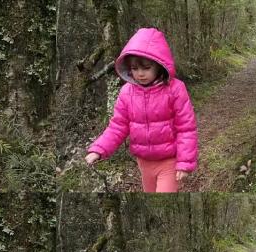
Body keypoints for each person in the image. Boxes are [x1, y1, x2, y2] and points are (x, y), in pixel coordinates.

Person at [84, 28, 198, 192]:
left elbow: (186, 128)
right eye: (135, 69)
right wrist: (99, 149)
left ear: (158, 65)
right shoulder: (126, 92)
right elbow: (117, 126)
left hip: (169, 161)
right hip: (143, 162)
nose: (140, 74)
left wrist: (184, 162)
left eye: (146, 68)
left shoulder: (175, 89)